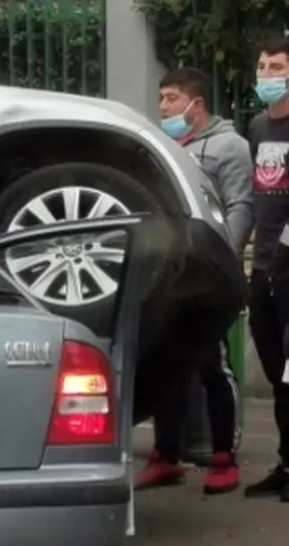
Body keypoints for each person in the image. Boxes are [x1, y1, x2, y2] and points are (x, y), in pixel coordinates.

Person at [135, 67, 253, 494]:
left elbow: (241, 206)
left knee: (213, 365)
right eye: (162, 98)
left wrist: (222, 260)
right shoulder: (162, 146)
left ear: (196, 105)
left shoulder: (231, 147)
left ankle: (224, 458)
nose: (162, 106)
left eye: (170, 98)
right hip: (169, 276)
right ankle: (166, 455)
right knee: (166, 362)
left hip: (208, 278)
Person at [244, 35, 289, 501]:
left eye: (277, 67)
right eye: (263, 67)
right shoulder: (258, 127)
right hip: (263, 268)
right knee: (277, 371)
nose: (268, 76)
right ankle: (285, 461)